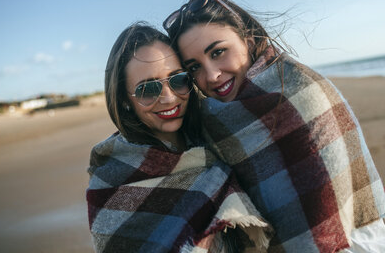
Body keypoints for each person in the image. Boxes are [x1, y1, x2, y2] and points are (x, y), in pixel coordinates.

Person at [164, 0, 385, 252]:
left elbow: (337, 194)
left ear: (247, 39)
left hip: (355, 242)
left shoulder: (300, 90)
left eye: (218, 52)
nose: (212, 75)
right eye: (194, 68)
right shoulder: (208, 123)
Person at [86, 23, 273, 253]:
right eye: (148, 89)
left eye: (177, 79)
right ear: (125, 99)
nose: (169, 98)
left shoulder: (218, 136)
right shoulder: (111, 181)